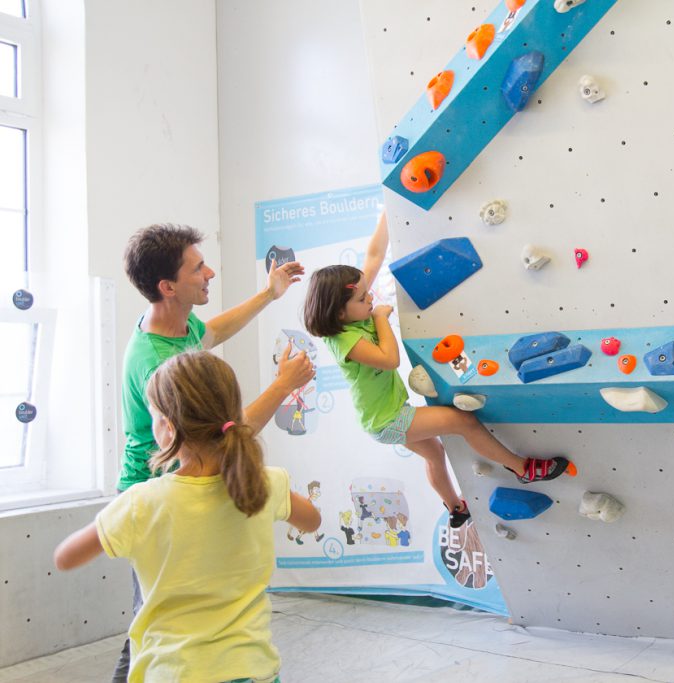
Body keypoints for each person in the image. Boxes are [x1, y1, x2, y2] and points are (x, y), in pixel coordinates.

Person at [113, 223, 316, 681]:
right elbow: (219, 436)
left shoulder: (175, 327)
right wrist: (283, 387)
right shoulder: (155, 362)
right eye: (197, 267)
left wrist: (269, 294)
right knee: (153, 627)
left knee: (168, 623)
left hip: (187, 485)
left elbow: (212, 331)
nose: (210, 272)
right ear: (167, 287)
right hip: (155, 495)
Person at [54, 351, 322, 683]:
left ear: (167, 427)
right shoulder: (266, 483)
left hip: (173, 673)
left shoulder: (143, 502)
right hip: (253, 670)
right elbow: (312, 521)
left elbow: (65, 557)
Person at [302, 212, 574, 529]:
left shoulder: (352, 309)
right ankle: (522, 468)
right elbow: (388, 359)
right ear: (338, 311)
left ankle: (456, 508)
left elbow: (374, 255)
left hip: (385, 412)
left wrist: (388, 215)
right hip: (387, 420)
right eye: (363, 298)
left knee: (434, 455)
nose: (371, 296)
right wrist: (378, 317)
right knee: (464, 422)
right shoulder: (344, 339)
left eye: (367, 292)